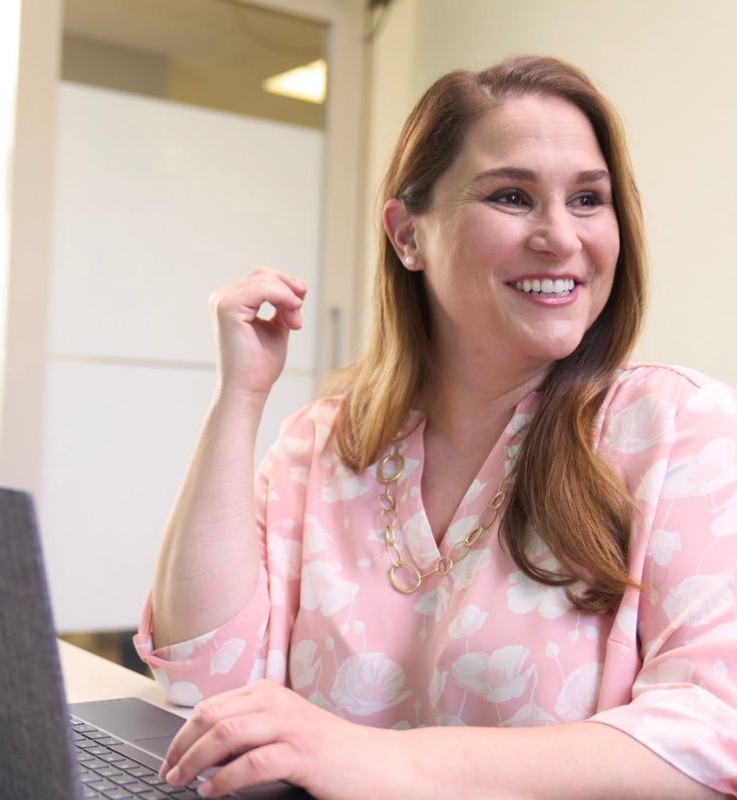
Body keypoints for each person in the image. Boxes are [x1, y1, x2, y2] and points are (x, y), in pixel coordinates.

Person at [134, 55, 737, 799]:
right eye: (513, 196)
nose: (560, 236)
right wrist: (240, 399)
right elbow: (203, 674)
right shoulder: (324, 442)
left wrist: (380, 760)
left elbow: (714, 736)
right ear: (408, 235)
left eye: (588, 198)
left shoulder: (679, 428)